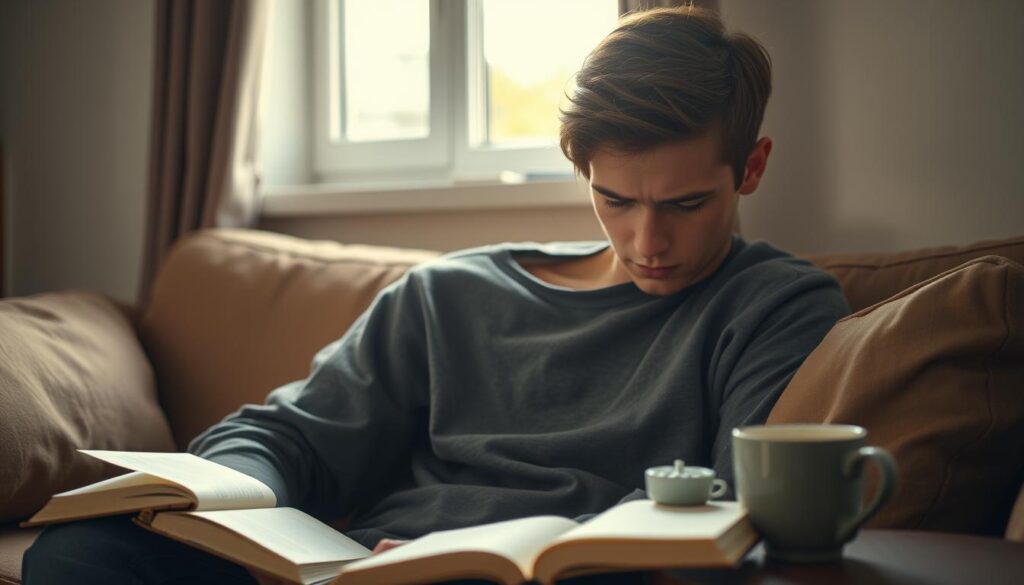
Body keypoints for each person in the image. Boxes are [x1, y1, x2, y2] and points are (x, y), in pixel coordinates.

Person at [23, 6, 849, 584]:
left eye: (685, 204)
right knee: (83, 551)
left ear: (752, 167)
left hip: (564, 569)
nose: (646, 242)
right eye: (615, 199)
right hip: (363, 563)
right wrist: (225, 496)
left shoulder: (777, 306)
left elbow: (725, 496)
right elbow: (291, 435)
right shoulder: (451, 293)